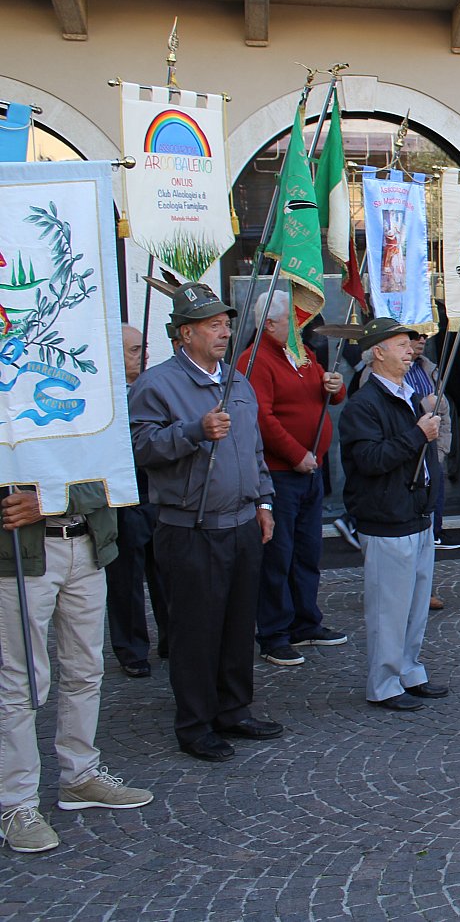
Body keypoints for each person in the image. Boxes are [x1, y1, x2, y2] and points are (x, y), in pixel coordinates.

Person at [129, 282, 283, 761]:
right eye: (212, 325)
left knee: (238, 625)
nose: (224, 332)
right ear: (185, 334)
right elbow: (140, 448)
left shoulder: (237, 381)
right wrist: (193, 432)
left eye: (225, 325)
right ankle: (195, 725)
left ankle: (233, 709)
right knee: (196, 631)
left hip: (241, 523)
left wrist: (264, 502)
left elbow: (253, 449)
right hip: (190, 529)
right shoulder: (157, 384)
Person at [0, 481, 155, 854]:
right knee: (21, 681)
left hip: (86, 544)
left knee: (85, 670)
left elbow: (116, 481)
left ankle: (80, 775)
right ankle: (16, 803)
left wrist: (49, 502)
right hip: (22, 552)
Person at [337, 317, 450, 713]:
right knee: (389, 609)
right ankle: (384, 684)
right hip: (386, 517)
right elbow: (370, 459)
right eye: (401, 344)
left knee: (416, 605)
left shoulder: (408, 395)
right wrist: (418, 434)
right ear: (378, 352)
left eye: (410, 343)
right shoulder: (363, 405)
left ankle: (409, 670)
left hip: (416, 511)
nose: (410, 350)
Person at [239, 291, 349, 669]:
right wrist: (295, 454)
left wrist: (336, 385)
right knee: (278, 556)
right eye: (293, 321)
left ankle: (305, 621)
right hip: (281, 473)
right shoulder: (255, 360)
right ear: (270, 324)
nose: (300, 327)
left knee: (306, 552)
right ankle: (274, 633)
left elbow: (330, 395)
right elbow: (262, 418)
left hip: (309, 469)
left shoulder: (301, 353)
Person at [107, 324, 167, 678]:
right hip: (123, 495)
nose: (143, 355)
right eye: (133, 350)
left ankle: (171, 637)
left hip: (156, 490)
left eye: (143, 348)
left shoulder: (153, 387)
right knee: (126, 577)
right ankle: (131, 648)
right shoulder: (108, 397)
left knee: (165, 571)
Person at [406, 333, 460, 552]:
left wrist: (441, 449)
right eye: (415, 336)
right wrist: (423, 405)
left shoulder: (427, 368)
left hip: (431, 447)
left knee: (435, 491)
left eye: (425, 335)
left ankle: (435, 533)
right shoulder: (387, 373)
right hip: (407, 448)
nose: (422, 340)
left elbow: (443, 410)